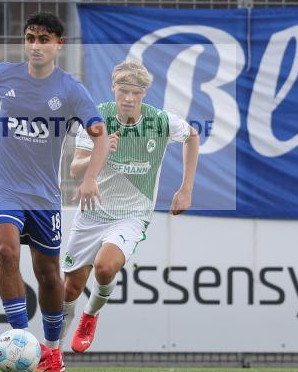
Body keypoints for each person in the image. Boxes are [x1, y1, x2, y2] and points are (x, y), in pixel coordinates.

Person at [0, 11, 109, 372]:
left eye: (44, 40)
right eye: (30, 38)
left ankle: (52, 349)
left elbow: (101, 138)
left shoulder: (70, 89)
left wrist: (90, 179)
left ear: (58, 45)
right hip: (3, 185)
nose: (36, 46)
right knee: (5, 251)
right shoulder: (3, 74)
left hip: (43, 195)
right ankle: (21, 338)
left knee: (48, 274)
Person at [59, 61, 199, 354]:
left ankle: (90, 315)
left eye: (135, 92)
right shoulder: (97, 118)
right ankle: (53, 351)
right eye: (123, 91)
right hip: (93, 212)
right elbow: (75, 167)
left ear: (144, 93)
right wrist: (100, 152)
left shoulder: (160, 121)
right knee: (70, 289)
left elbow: (192, 136)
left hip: (132, 215)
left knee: (105, 266)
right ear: (113, 88)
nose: (128, 98)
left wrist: (186, 188)